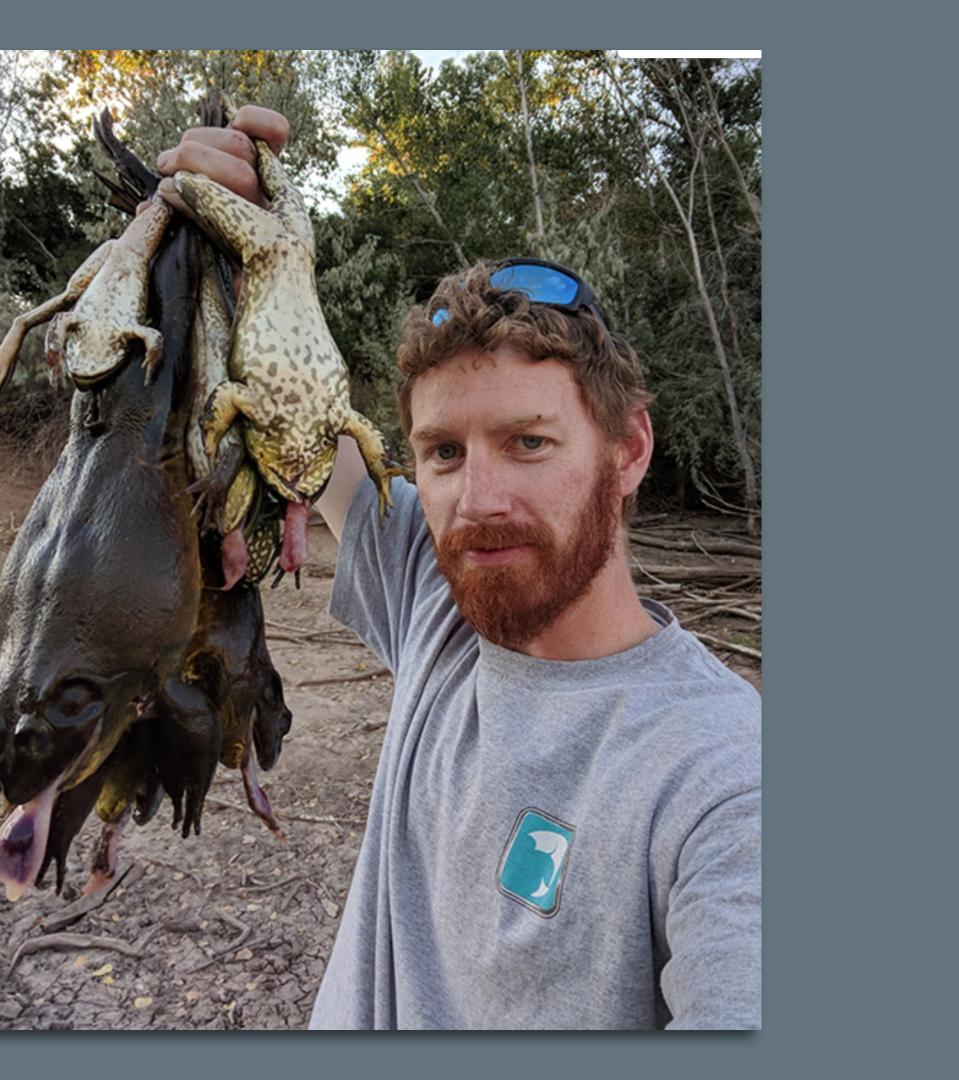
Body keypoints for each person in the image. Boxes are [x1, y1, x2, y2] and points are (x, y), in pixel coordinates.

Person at [156, 106, 762, 1030]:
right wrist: (238, 234)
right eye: (441, 453)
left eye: (528, 441)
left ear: (629, 450)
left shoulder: (724, 776)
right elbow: (297, 409)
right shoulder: (437, 603)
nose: (476, 500)